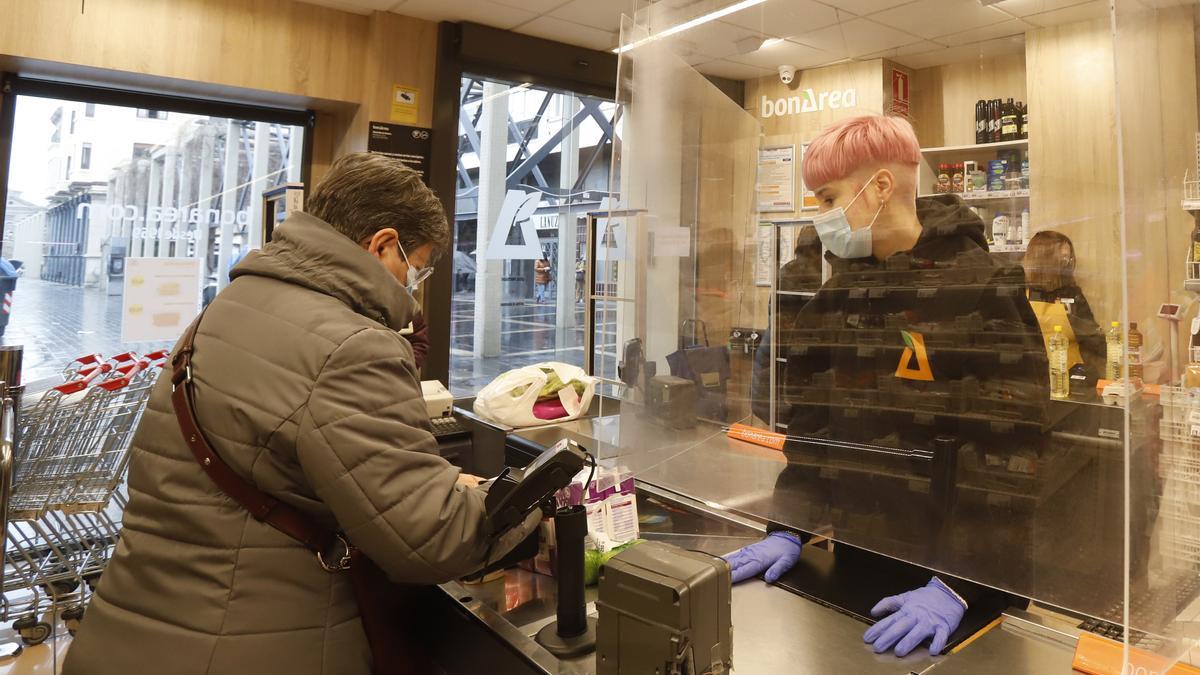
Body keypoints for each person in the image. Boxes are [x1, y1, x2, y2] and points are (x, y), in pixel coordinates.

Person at [63, 153, 541, 675]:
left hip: (135, 626)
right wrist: (525, 505)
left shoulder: (227, 307)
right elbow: (432, 539)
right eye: (417, 266)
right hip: (251, 640)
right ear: (382, 245)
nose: (415, 283)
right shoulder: (351, 347)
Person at [724, 115, 1048, 658]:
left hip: (961, 590)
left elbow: (1013, 450)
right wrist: (790, 527)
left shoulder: (982, 288)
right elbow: (812, 434)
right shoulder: (836, 298)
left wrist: (961, 583)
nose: (819, 216)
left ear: (879, 187)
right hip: (856, 569)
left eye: (828, 199)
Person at [1023, 230, 1105, 386]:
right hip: (1033, 381)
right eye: (1062, 258)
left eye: (1068, 258)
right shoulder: (1020, 294)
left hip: (1069, 380)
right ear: (1044, 260)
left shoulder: (1072, 295)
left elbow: (1093, 338)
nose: (1066, 263)